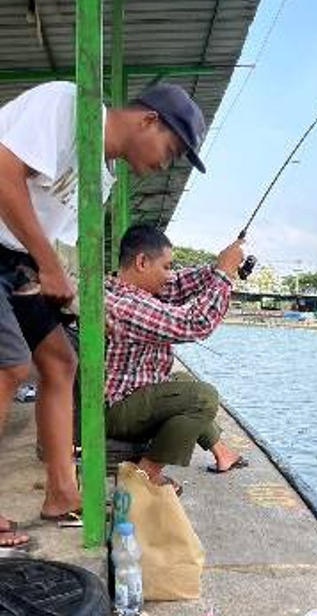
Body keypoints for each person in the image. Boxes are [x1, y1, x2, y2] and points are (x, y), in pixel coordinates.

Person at [0, 80, 207, 545]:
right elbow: (2, 173)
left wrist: (84, 304)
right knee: (11, 366)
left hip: (17, 262)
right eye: (171, 150)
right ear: (148, 120)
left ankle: (61, 493)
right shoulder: (66, 104)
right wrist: (50, 267)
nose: (165, 164)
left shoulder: (105, 175)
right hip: (9, 252)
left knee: (60, 361)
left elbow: (60, 248)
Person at [105, 224, 247, 488]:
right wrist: (225, 274)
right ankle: (145, 476)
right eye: (166, 267)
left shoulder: (122, 288)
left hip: (126, 395)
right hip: (115, 410)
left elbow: (178, 284)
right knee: (203, 397)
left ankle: (222, 453)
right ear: (142, 262)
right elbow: (197, 323)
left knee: (182, 380)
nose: (170, 275)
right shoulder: (125, 306)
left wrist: (218, 266)